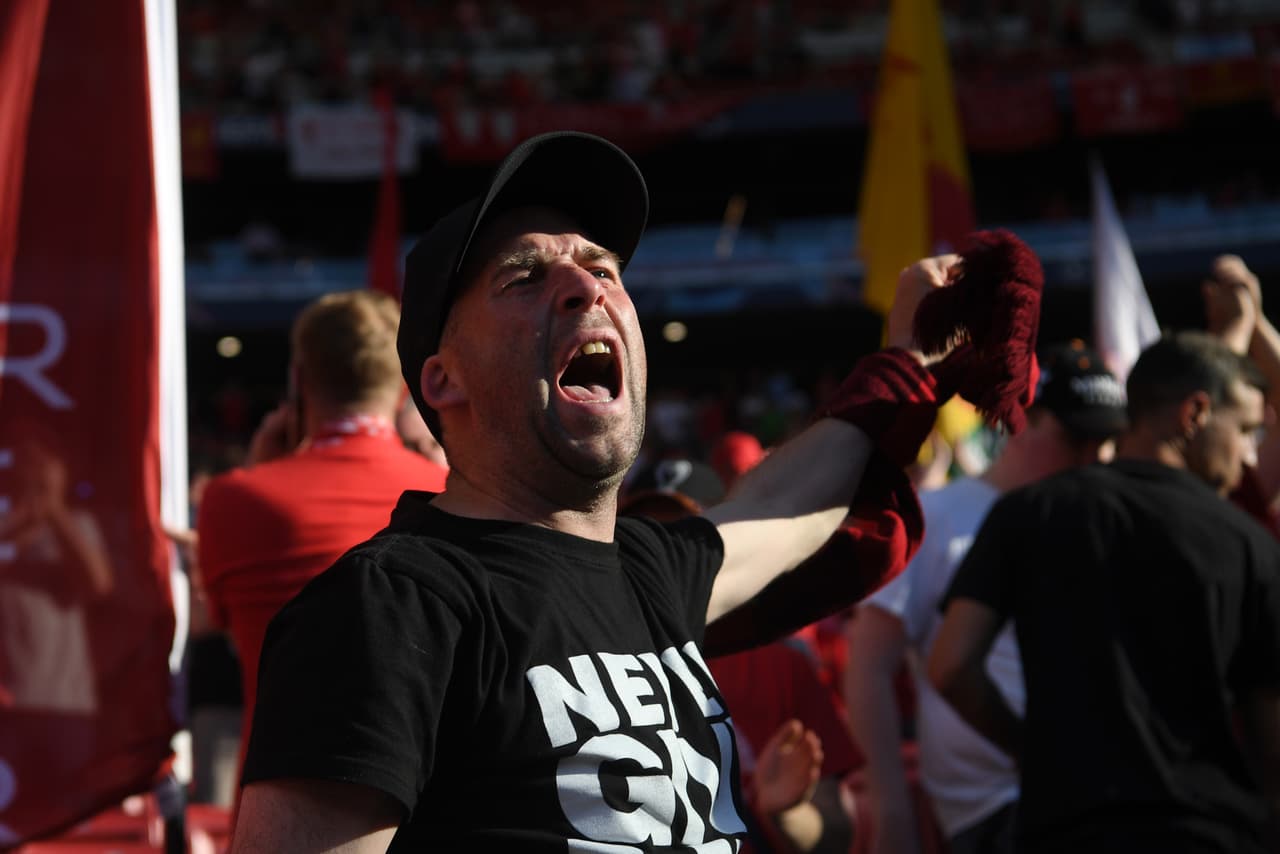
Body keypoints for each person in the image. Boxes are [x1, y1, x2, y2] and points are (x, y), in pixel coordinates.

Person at [228, 131, 994, 852]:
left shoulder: (652, 570)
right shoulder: (387, 608)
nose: (582, 285)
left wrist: (908, 365)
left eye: (603, 269)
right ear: (442, 379)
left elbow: (781, 507)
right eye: (523, 276)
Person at [929, 331, 1280, 853]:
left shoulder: (1028, 513)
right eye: (1247, 430)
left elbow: (951, 665)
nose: (1250, 456)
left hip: (1063, 825)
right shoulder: (1250, 542)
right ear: (1195, 414)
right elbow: (1271, 731)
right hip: (1208, 831)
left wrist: (1034, 752)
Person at [843, 342, 1127, 854]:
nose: (1097, 458)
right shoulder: (935, 515)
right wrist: (892, 808)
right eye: (1077, 438)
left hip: (1103, 792)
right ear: (1023, 421)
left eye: (1108, 442)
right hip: (994, 809)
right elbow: (868, 668)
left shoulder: (1106, 516)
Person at [196, 289, 448, 782]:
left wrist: (255, 474)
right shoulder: (450, 493)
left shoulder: (232, 499)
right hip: (422, 814)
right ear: (401, 390)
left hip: (273, 808)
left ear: (297, 382)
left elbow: (219, 626)